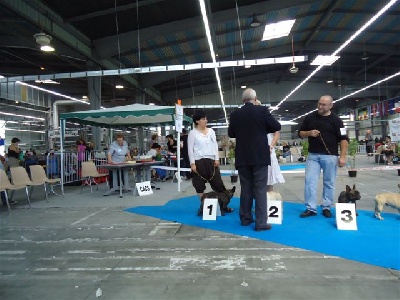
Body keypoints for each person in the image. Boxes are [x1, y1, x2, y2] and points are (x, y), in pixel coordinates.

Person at [228, 88, 281, 231]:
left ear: (242, 100)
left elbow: (231, 133)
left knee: (245, 189)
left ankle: (245, 219)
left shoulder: (235, 114)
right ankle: (261, 223)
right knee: (260, 189)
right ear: (255, 98)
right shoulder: (262, 110)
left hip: (243, 156)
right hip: (260, 156)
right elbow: (276, 126)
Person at [298, 95, 348, 218]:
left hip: (330, 156)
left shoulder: (337, 120)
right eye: (319, 103)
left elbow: (344, 139)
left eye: (323, 104)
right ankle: (311, 208)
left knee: (329, 182)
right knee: (310, 182)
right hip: (313, 156)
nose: (320, 106)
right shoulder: (310, 117)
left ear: (331, 105)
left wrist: (342, 157)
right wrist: (309, 133)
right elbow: (300, 133)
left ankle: (326, 207)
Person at [188, 110, 233, 214]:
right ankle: (204, 207)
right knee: (199, 185)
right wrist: (192, 163)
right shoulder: (192, 133)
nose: (206, 121)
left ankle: (223, 206)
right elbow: (190, 149)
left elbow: (215, 146)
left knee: (218, 184)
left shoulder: (211, 131)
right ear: (197, 121)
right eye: (203, 119)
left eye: (206, 119)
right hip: (198, 162)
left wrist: (217, 158)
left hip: (212, 161)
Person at [255, 100, 285, 191]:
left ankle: (270, 200)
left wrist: (271, 145)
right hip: (255, 152)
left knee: (269, 179)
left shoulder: (267, 118)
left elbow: (276, 133)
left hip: (268, 151)